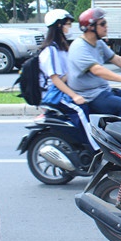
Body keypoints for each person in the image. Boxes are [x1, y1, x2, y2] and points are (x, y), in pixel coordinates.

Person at [67, 8, 121, 122]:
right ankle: (120, 138)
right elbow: (97, 70)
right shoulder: (79, 47)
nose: (106, 26)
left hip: (103, 91)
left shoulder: (98, 43)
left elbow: (116, 59)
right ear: (90, 27)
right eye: (103, 24)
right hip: (90, 96)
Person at [38, 9, 98, 150]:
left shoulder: (63, 47)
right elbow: (56, 80)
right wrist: (75, 96)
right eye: (67, 24)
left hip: (62, 90)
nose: (69, 27)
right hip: (53, 94)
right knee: (80, 110)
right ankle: (97, 149)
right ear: (59, 25)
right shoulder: (50, 50)